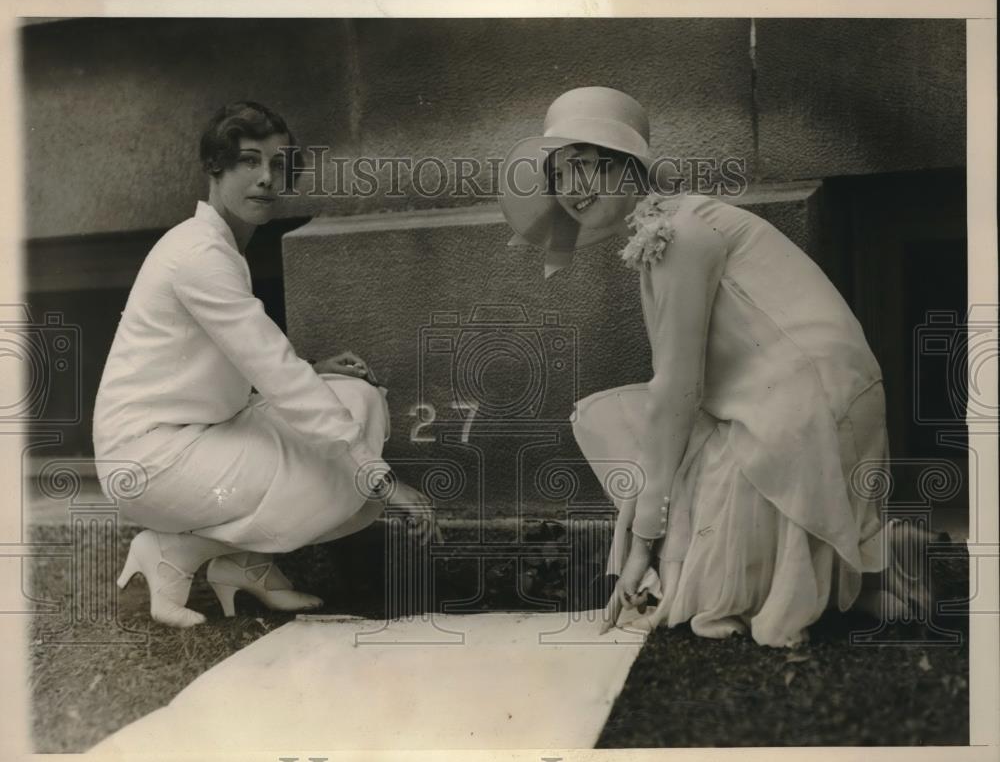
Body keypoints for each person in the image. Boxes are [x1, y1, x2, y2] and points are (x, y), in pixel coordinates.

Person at [499, 87, 926, 647]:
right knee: (609, 421)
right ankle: (865, 570)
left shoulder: (678, 232)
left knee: (699, 570)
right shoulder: (668, 223)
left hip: (809, 409)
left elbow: (678, 389)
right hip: (795, 401)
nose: (570, 189)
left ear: (626, 164)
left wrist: (641, 545)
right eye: (557, 176)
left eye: (582, 165)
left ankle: (863, 563)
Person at [94, 101, 431, 628]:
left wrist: (313, 366)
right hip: (148, 459)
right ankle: (180, 552)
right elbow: (272, 368)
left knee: (358, 400)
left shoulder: (219, 247)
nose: (267, 178)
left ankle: (242, 564)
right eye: (249, 161)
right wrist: (382, 478)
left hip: (194, 437)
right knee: (347, 474)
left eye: (278, 164)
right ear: (216, 167)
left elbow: (238, 361)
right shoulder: (199, 254)